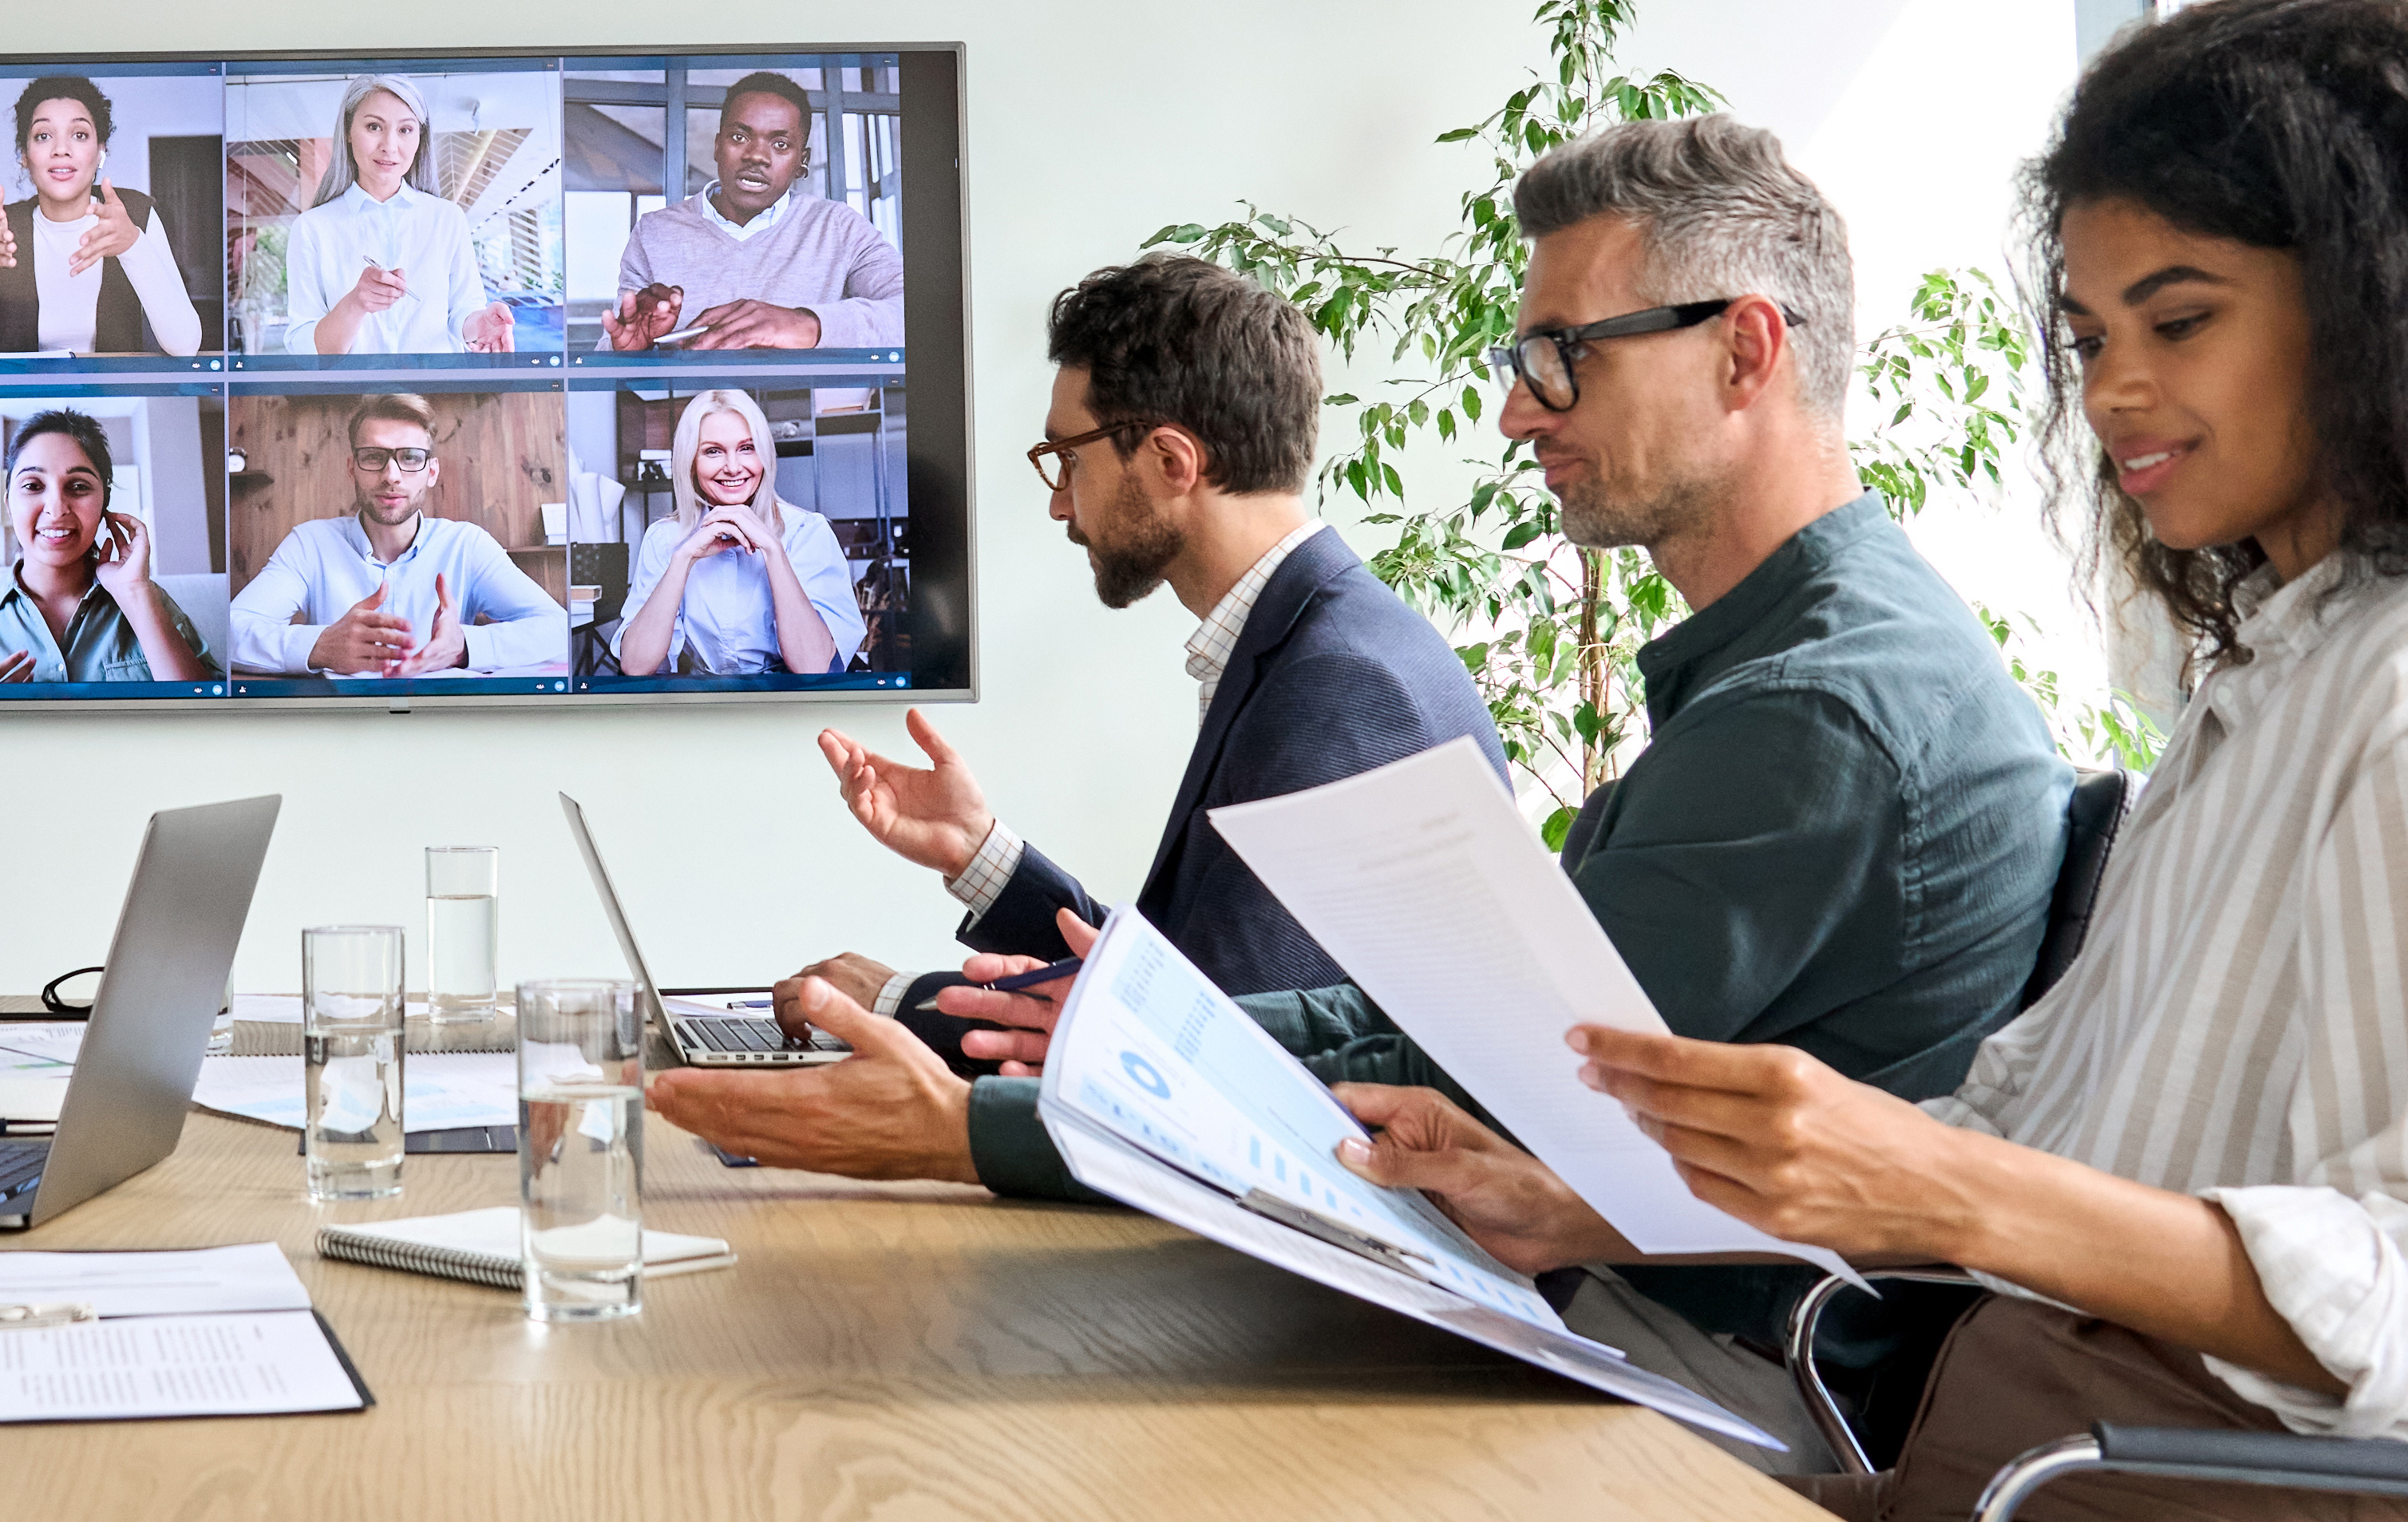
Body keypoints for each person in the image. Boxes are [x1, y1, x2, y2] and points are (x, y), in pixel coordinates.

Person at [1334, 0, 2408, 1519]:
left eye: (2176, 320)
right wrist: (1587, 1203)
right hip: (2009, 1443)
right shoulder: (2277, 663)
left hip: (2137, 1479)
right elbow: (2012, 1132)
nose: (2112, 388)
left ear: (2389, 311)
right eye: (2085, 335)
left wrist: (1930, 1183)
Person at [652, 114, 2066, 1418]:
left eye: (1561, 356)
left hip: (1695, 1366)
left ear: (1743, 352)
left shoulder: (1813, 711)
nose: (1517, 413)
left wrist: (973, 1128)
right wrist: (1065, 1019)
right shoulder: (1789, 667)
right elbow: (1417, 1024)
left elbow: (1475, 1082)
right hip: (1624, 1304)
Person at [764, 254, 1503, 1061]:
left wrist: (897, 1006)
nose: (1057, 501)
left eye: (1067, 459)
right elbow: (1189, 982)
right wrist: (981, 854)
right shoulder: (1318, 637)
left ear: (1170, 462)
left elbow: (1206, 1050)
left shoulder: (1339, 682)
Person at [227, 392, 567, 677]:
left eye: (410, 458)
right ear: (352, 469)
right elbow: (231, 630)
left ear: (431, 472)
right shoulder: (309, 544)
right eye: (373, 457)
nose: (392, 475)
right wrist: (320, 647)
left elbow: (557, 629)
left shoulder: (467, 546)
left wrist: (463, 647)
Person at [600, 73, 903, 351]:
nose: (756, 156)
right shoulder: (655, 232)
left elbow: (917, 316)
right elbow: (613, 347)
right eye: (739, 137)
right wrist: (630, 352)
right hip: (692, 412)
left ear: (802, 161)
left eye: (781, 144)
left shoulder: (839, 227)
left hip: (798, 410)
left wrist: (807, 324)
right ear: (718, 147)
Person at [0, 74, 204, 357]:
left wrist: (133, 246)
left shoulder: (135, 215)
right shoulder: (4, 227)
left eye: (79, 134)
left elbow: (185, 345)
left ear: (100, 150)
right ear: (24, 155)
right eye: (43, 135)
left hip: (116, 405)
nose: (61, 149)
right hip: (26, 406)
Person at [0, 409, 216, 684]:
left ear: (105, 504)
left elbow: (209, 721)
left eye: (78, 486)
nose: (56, 508)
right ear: (9, 505)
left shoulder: (147, 599)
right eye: (33, 486)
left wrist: (135, 593)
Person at [615, 387, 865, 677]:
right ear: (691, 463)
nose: (733, 468)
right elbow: (635, 666)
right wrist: (683, 559)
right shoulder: (663, 539)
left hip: (793, 706)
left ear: (764, 455)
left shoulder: (808, 532)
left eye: (747, 448)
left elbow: (814, 667)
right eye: (713, 451)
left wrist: (774, 551)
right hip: (705, 707)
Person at [267, 73, 512, 355]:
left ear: (420, 137)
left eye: (405, 130)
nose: (390, 146)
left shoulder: (448, 218)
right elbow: (303, 348)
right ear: (348, 130)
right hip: (353, 397)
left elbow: (462, 312)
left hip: (437, 394)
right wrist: (356, 303)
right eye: (374, 126)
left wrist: (481, 324)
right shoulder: (312, 228)